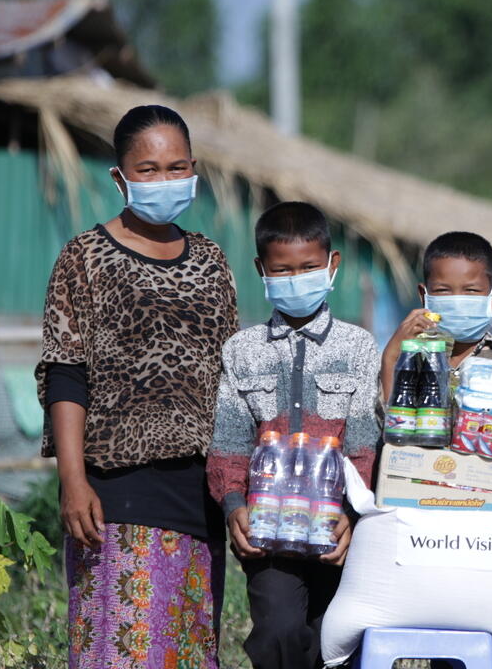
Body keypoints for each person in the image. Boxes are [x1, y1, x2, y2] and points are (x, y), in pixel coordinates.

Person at [37, 104, 239, 669]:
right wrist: (73, 481)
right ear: (119, 177)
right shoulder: (85, 258)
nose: (164, 180)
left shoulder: (212, 261)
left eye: (177, 167)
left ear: (194, 170)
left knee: (190, 647)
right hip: (116, 490)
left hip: (200, 492)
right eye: (147, 169)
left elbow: (232, 376)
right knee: (125, 646)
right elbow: (66, 372)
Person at [207, 201, 381, 669]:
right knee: (279, 632)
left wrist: (350, 513)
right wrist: (233, 506)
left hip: (336, 531)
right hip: (267, 532)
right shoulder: (241, 349)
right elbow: (228, 439)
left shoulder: (359, 345)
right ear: (261, 270)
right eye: (282, 271)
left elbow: (364, 438)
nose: (296, 279)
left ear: (332, 265)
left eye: (308, 268)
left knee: (335, 638)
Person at [380, 230, 492, 541]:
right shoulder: (412, 357)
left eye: (471, 291)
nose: (457, 301)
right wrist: (393, 354)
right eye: (444, 291)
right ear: (425, 296)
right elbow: (387, 425)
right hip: (419, 515)